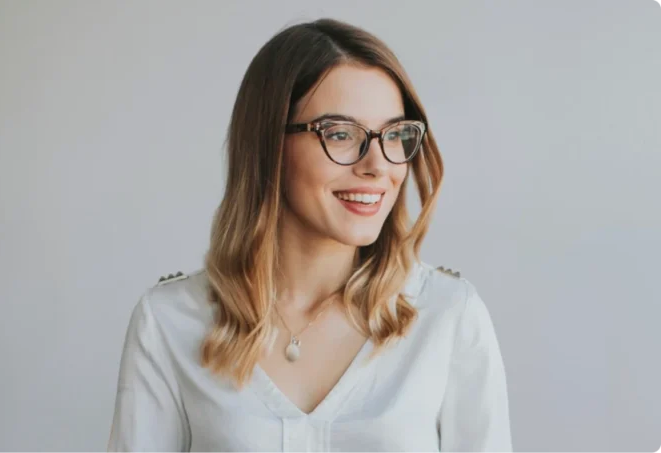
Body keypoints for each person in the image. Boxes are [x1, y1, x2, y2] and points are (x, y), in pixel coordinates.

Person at [107, 18, 513, 453]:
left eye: (395, 135)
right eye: (340, 134)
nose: (378, 165)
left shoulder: (448, 317)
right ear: (268, 147)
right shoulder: (169, 323)